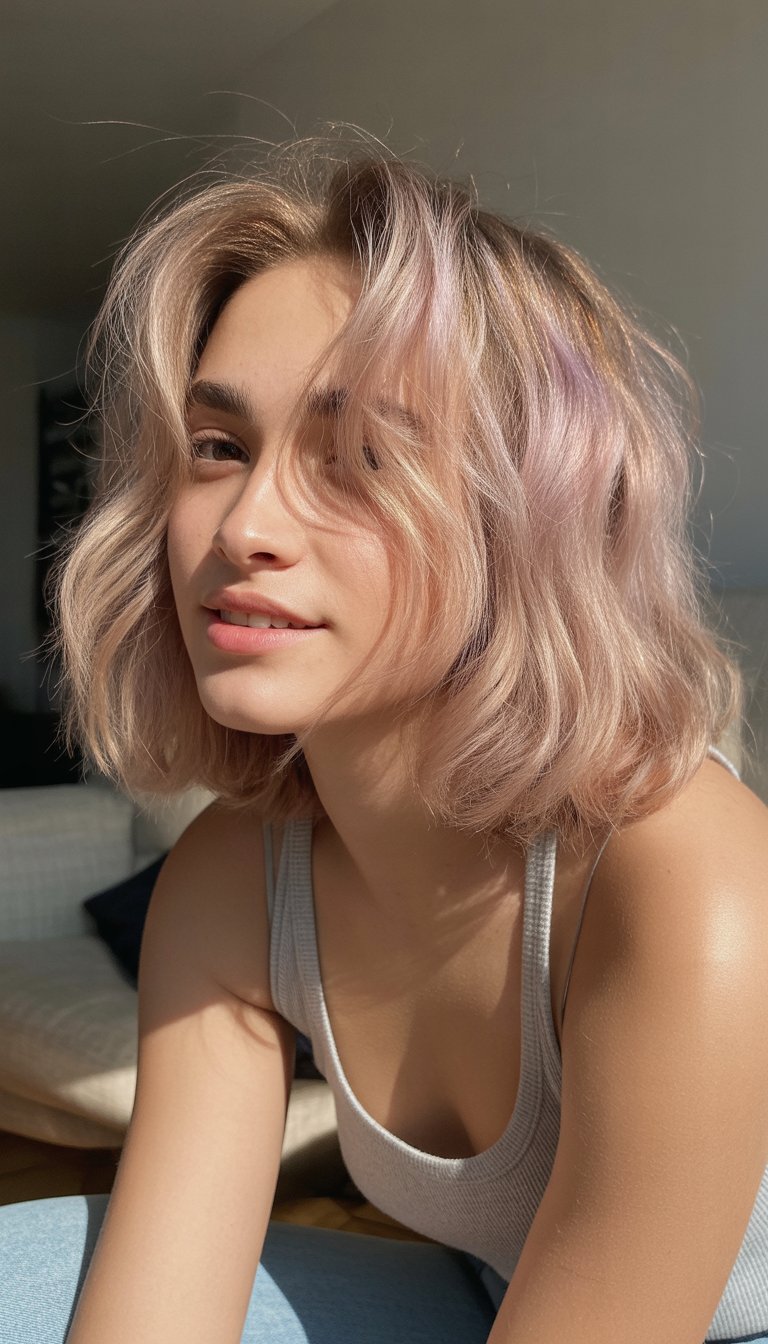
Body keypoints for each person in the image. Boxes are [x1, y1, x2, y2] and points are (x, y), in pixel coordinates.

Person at [1, 130, 767, 1344]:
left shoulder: (685, 877)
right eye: (219, 445)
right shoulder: (232, 884)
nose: (245, 524)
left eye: (360, 456)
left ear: (527, 518)